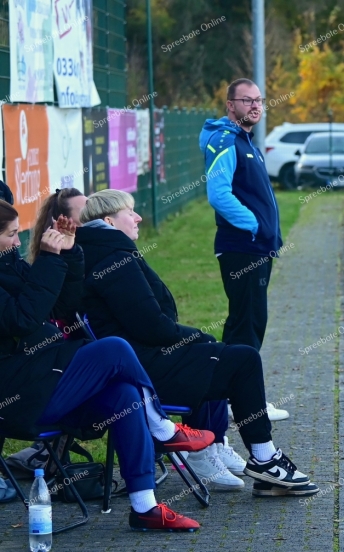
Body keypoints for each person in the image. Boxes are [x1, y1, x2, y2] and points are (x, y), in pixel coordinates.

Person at [75, 189, 318, 497]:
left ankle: (217, 448)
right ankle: (263, 458)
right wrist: (195, 336)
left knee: (220, 354)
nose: (138, 218)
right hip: (140, 370)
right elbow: (151, 325)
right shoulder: (113, 260)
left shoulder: (102, 253)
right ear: (109, 221)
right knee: (241, 359)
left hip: (137, 360)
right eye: (130, 212)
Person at [0, 199, 214, 531]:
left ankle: (144, 507)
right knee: (114, 348)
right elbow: (24, 318)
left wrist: (69, 253)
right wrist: (49, 259)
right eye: (11, 234)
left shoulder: (10, 265)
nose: (17, 241)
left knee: (125, 396)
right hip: (18, 398)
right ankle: (162, 428)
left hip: (44, 379)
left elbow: (62, 308)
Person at [27, 190, 243, 491]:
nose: (87, 219)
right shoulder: (97, 258)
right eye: (83, 214)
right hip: (104, 364)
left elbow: (151, 313)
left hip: (122, 353)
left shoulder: (101, 252)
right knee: (201, 354)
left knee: (208, 350)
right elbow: (143, 323)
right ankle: (186, 444)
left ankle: (211, 443)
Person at [199, 77, 289, 422]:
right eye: (247, 100)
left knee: (244, 323)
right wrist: (255, 225)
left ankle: (232, 397)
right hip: (243, 248)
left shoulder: (244, 140)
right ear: (230, 105)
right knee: (247, 324)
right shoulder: (226, 140)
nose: (255, 106)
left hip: (254, 248)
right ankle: (246, 403)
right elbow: (218, 194)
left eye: (259, 100)